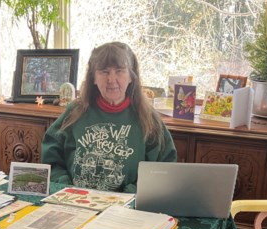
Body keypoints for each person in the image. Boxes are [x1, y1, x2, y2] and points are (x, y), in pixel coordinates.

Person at [41, 42, 176, 192]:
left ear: (131, 76)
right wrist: (64, 185)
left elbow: (162, 170)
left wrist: (131, 195)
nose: (111, 79)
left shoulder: (148, 118)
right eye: (104, 71)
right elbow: (51, 157)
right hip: (75, 201)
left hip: (127, 207)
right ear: (93, 78)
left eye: (119, 71)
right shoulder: (75, 112)